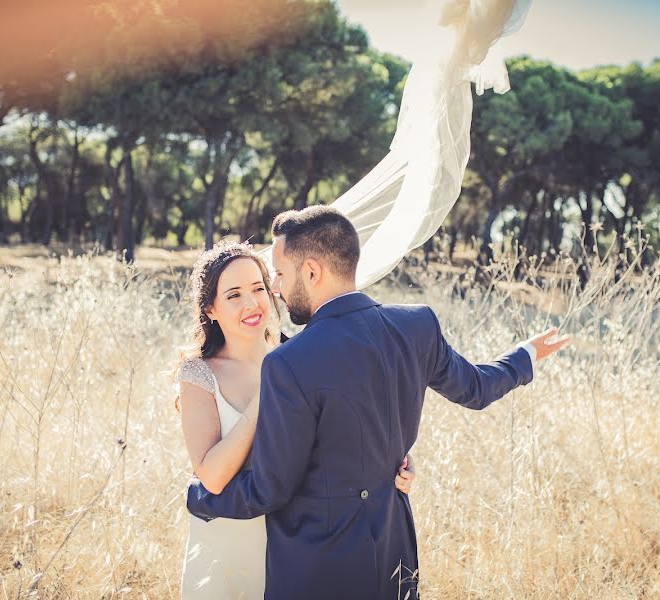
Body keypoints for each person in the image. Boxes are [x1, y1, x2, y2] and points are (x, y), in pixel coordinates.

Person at [187, 206, 572, 599]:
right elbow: (476, 387)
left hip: (316, 571)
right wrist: (523, 355)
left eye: (280, 276)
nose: (277, 291)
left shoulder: (288, 361)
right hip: (394, 554)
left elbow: (270, 490)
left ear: (313, 272)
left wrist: (199, 497)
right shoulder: (417, 325)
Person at [174, 241, 416, 599]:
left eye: (258, 288)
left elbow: (342, 439)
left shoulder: (300, 356)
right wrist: (266, 392)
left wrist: (395, 465)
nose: (252, 303)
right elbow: (211, 476)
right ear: (210, 308)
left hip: (295, 544)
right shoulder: (199, 375)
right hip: (227, 543)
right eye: (234, 295)